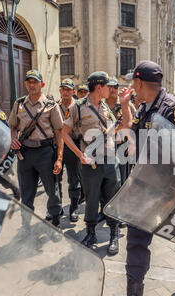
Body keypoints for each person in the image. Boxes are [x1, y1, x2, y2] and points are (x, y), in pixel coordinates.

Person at [117, 60, 175, 296]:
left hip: (172, 188)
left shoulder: (174, 110)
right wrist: (124, 106)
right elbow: (129, 134)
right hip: (144, 186)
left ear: (139, 82)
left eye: (133, 81)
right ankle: (134, 295)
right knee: (136, 241)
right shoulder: (144, 107)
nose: (132, 86)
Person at [61, 71, 120, 255]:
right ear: (99, 87)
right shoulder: (78, 107)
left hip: (110, 161)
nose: (111, 90)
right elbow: (63, 133)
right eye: (108, 86)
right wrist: (79, 154)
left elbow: (112, 131)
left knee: (111, 200)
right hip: (90, 164)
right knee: (92, 200)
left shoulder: (106, 107)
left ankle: (113, 235)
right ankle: (91, 233)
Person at [9, 70, 64, 227]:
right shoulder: (18, 104)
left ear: (42, 84)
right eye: (29, 82)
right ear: (25, 84)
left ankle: (55, 221)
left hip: (45, 153)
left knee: (52, 191)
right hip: (25, 153)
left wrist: (59, 159)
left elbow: (59, 133)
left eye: (35, 82)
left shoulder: (51, 106)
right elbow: (13, 126)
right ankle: (25, 225)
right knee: (26, 192)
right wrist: (13, 140)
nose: (32, 85)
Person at [57, 78, 84, 222]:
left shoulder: (79, 107)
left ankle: (73, 209)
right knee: (56, 179)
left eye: (69, 89)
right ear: (60, 91)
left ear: (73, 92)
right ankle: (57, 208)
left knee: (74, 179)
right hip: (57, 146)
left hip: (74, 144)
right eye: (63, 89)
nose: (66, 92)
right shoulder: (54, 106)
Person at [105, 77, 136, 186]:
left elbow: (135, 125)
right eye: (109, 87)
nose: (112, 90)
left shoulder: (127, 104)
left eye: (115, 87)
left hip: (121, 146)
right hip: (104, 148)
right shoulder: (100, 105)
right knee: (108, 180)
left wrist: (132, 144)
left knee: (122, 180)